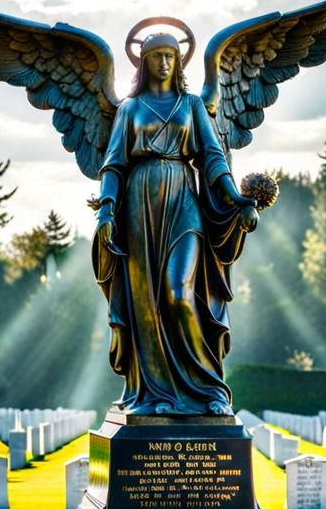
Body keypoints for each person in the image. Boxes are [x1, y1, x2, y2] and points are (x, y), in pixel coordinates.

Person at [91, 33, 258, 416]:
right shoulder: (130, 108)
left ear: (179, 61)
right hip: (139, 205)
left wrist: (235, 197)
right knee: (146, 302)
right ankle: (155, 394)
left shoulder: (193, 104)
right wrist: (106, 210)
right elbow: (114, 164)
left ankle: (207, 389)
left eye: (171, 56)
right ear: (144, 62)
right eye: (156, 56)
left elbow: (213, 157)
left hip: (183, 199)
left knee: (178, 293)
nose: (164, 63)